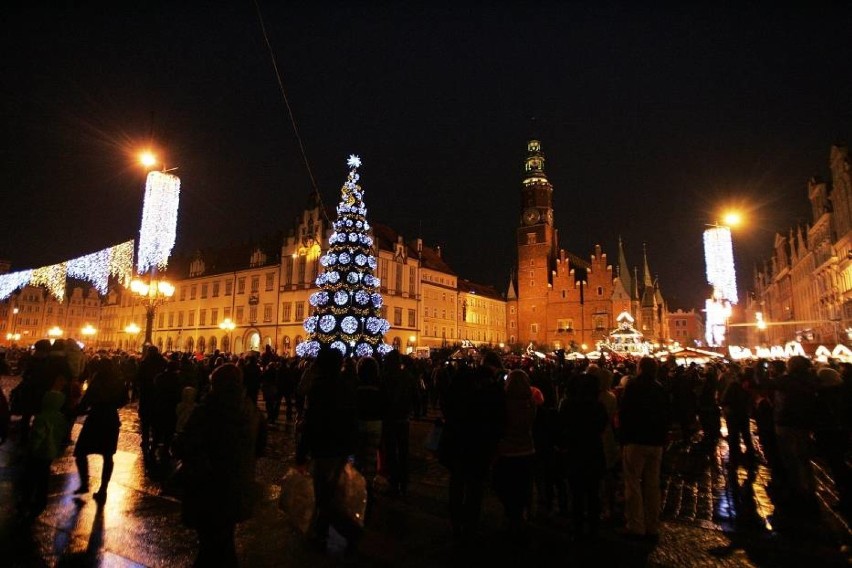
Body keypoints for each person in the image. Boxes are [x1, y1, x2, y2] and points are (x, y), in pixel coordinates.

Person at [174, 363, 261, 567]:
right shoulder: (250, 410)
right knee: (225, 541)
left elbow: (185, 445)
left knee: (209, 545)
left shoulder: (206, 411)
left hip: (208, 488)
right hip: (237, 485)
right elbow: (260, 446)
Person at [295, 347, 361, 553]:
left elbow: (311, 421)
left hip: (322, 446)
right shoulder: (347, 386)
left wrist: (301, 452)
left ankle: (324, 532)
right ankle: (340, 532)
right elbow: (352, 418)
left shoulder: (319, 387)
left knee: (323, 492)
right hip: (341, 446)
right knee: (337, 491)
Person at [441, 352, 505, 543]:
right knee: (475, 486)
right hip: (479, 445)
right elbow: (499, 420)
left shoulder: (463, 379)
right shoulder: (494, 388)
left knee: (457, 482)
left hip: (458, 440)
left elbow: (447, 402)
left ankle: (455, 521)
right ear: (494, 368)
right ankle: (471, 524)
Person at [618, 356, 670, 540]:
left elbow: (624, 412)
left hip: (636, 440)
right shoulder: (660, 388)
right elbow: (666, 414)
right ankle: (653, 525)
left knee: (632, 484)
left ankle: (636, 525)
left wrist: (622, 437)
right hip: (655, 442)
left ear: (640, 369)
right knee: (652, 485)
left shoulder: (633, 387)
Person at [559, 371, 608, 540]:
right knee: (593, 493)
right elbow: (602, 427)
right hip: (594, 451)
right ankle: (594, 527)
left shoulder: (568, 405)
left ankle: (577, 526)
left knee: (576, 493)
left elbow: (562, 427)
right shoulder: (598, 406)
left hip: (574, 452)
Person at [73, 356, 128, 503]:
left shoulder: (98, 380)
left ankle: (84, 483)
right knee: (108, 455)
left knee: (80, 452)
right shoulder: (119, 381)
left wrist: (77, 410)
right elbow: (124, 400)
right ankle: (103, 489)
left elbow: (87, 400)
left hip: (96, 417)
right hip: (111, 418)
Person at [493, 369, 536, 540]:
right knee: (522, 488)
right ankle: (520, 518)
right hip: (527, 450)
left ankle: (510, 517)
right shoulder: (531, 402)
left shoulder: (503, 402)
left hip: (507, 451)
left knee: (505, 486)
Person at [18, 390, 67, 520]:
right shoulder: (60, 417)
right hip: (50, 453)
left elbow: (37, 437)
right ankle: (41, 501)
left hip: (38, 453)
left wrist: (30, 449)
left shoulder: (42, 417)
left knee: (30, 477)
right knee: (43, 478)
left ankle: (26, 500)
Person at [354, 356, 387, 522]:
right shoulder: (378, 389)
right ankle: (368, 487)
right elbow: (383, 408)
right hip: (375, 426)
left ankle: (359, 487)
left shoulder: (356, 389)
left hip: (359, 425)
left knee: (359, 458)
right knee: (371, 458)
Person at [381, 350, 417, 497]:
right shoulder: (408, 377)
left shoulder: (385, 377)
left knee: (390, 452)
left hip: (389, 419)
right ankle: (404, 483)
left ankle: (393, 483)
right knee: (403, 451)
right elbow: (416, 396)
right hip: (403, 419)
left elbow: (381, 398)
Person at [137, 345, 167, 458]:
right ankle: (155, 442)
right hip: (159, 396)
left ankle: (145, 440)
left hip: (146, 395)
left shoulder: (144, 363)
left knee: (145, 421)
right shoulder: (163, 362)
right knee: (157, 421)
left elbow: (139, 378)